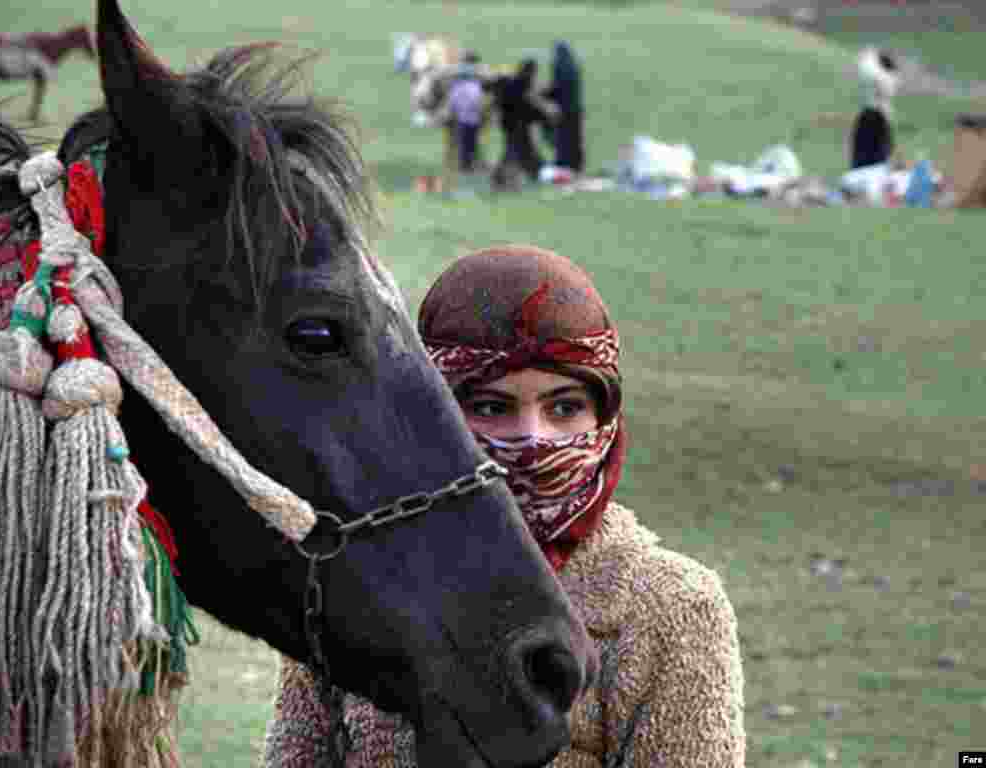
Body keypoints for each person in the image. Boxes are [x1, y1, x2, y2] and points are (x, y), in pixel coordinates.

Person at [263, 244, 747, 768]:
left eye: (566, 407)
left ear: (604, 419)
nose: (534, 439)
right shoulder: (350, 584)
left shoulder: (670, 608)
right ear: (433, 414)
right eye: (492, 407)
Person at [489, 58, 558, 189]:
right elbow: (529, 106)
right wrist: (545, 116)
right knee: (517, 152)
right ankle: (503, 179)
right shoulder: (522, 85)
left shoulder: (512, 82)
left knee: (516, 151)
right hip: (517, 125)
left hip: (509, 124)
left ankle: (502, 178)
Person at [851, 47, 899, 170]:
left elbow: (865, 61)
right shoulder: (888, 77)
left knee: (870, 157)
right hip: (877, 116)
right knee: (878, 157)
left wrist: (872, 54)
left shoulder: (880, 76)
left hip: (873, 116)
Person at [542, 40, 586, 174]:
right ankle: (576, 164)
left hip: (563, 110)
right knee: (575, 138)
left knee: (563, 138)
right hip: (576, 109)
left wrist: (543, 93)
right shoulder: (574, 66)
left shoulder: (558, 66)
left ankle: (563, 162)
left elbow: (557, 88)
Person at [447, 50, 485, 174]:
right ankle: (467, 165)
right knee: (470, 142)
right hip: (471, 117)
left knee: (466, 142)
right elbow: (477, 102)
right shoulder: (473, 84)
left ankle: (467, 165)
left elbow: (453, 100)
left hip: (463, 117)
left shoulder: (458, 83)